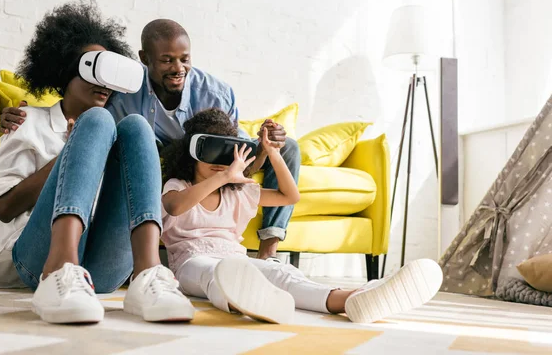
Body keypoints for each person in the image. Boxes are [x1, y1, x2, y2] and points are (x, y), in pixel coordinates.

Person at [0, 19, 299, 261]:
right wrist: (52, 135)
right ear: (145, 60)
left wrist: (265, 147)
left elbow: (241, 153)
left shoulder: (213, 93)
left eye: (184, 59)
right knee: (130, 128)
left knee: (288, 148)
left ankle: (154, 268)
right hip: (161, 161)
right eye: (167, 60)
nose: (178, 68)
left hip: (202, 162)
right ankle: (68, 266)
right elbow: (72, 104)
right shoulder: (117, 96)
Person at [0, 0, 195, 324]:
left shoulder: (113, 130)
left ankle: (148, 272)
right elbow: (4, 206)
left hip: (101, 271)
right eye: (92, 68)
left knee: (137, 125)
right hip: (33, 258)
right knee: (96, 120)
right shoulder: (28, 122)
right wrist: (68, 156)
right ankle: (59, 268)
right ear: (65, 70)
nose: (104, 83)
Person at [160, 108, 444, 324]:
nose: (217, 162)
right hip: (190, 262)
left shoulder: (238, 193)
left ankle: (350, 299)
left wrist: (272, 153)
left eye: (225, 153)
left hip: (236, 259)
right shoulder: (178, 187)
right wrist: (223, 178)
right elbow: (175, 207)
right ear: (191, 152)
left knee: (276, 272)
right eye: (208, 151)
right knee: (216, 273)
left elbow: (289, 196)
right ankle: (248, 301)